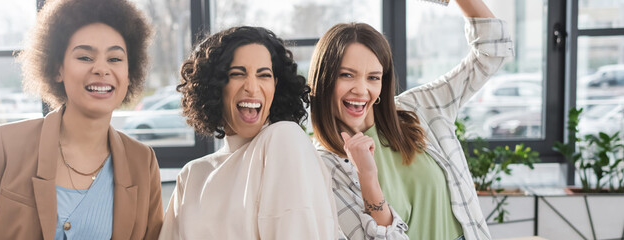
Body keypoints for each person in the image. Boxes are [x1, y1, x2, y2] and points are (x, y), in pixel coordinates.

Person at [0, 0, 163, 239]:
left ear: (129, 73)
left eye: (115, 59)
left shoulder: (142, 162)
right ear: (57, 69)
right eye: (85, 57)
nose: (102, 69)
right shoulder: (3, 146)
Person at [308, 0, 513, 239]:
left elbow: (492, 51)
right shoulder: (324, 166)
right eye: (346, 75)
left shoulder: (419, 108)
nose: (361, 89)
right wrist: (368, 176)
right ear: (324, 80)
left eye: (373, 77)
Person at [159, 26, 338, 239]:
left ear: (276, 85)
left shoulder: (284, 139)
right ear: (214, 85)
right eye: (237, 74)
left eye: (264, 75)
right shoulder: (191, 176)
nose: (252, 88)